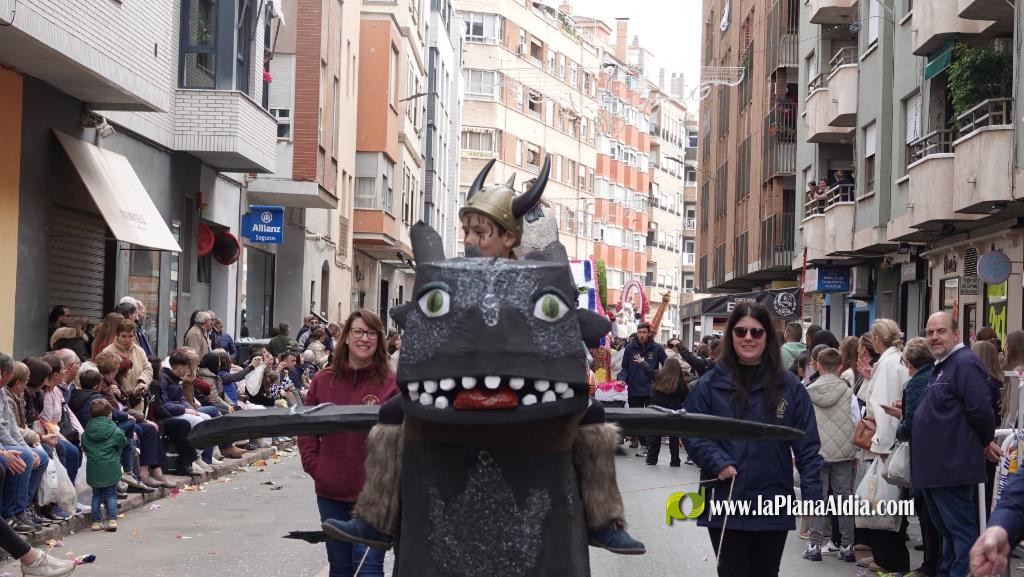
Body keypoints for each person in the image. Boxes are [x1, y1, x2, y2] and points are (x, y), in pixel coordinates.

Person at [683, 302, 823, 577]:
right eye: (741, 331)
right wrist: (718, 461)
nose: (748, 338)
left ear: (768, 337)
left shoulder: (789, 386)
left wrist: (812, 494)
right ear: (731, 336)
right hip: (725, 499)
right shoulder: (710, 384)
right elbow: (691, 429)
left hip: (772, 499)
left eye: (756, 332)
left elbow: (807, 444)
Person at [301, 310, 398, 577]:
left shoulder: (391, 383)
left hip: (374, 494)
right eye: (358, 331)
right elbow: (306, 429)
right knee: (341, 568)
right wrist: (315, 466)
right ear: (346, 337)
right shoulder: (323, 380)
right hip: (330, 491)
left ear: (379, 340)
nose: (364, 338)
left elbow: (403, 436)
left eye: (371, 333)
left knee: (368, 568)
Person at [913, 312, 995, 577]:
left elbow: (981, 411)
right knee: (947, 533)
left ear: (956, 334)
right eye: (930, 332)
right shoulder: (944, 365)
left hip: (952, 468)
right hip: (935, 471)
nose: (934, 337)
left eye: (941, 331)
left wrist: (985, 441)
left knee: (961, 534)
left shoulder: (964, 364)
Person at [881, 336, 939, 577]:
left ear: (909, 362)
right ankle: (935, 563)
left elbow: (911, 423)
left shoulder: (916, 382)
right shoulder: (935, 374)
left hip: (923, 456)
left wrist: (899, 423)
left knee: (927, 514)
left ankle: (930, 565)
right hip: (935, 454)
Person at [802, 348, 857, 564]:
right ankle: (847, 546)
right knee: (844, 499)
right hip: (843, 452)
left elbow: (803, 422)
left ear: (817, 365)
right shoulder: (848, 391)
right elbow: (856, 419)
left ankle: (815, 545)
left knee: (817, 498)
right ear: (840, 367)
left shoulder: (809, 391)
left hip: (817, 452)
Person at [617, 321, 667, 455]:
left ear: (649, 333)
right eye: (639, 332)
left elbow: (667, 366)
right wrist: (622, 380)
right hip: (634, 389)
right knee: (637, 419)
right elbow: (625, 368)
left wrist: (658, 377)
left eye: (644, 332)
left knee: (650, 418)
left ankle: (650, 447)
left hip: (651, 389)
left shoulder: (657, 348)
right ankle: (644, 444)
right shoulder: (630, 348)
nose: (641, 335)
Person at [81, 398, 126, 532]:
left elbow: (84, 445)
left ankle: (96, 522)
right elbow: (122, 442)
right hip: (111, 467)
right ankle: (112, 520)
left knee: (96, 495)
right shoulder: (115, 431)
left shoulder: (86, 433)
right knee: (111, 495)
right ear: (109, 415)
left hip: (94, 467)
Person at [646, 357, 688, 467]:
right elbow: (684, 397)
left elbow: (648, 371)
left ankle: (651, 459)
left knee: (655, 436)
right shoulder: (680, 381)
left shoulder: (658, 376)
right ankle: (675, 461)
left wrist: (642, 362)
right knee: (674, 437)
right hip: (674, 412)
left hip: (657, 410)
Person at [101, 319, 153, 400]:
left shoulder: (139, 351)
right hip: (117, 401)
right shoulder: (107, 351)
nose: (127, 340)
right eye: (124, 336)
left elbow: (148, 369)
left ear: (135, 336)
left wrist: (141, 382)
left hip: (138, 400)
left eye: (130, 336)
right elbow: (102, 376)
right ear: (117, 335)